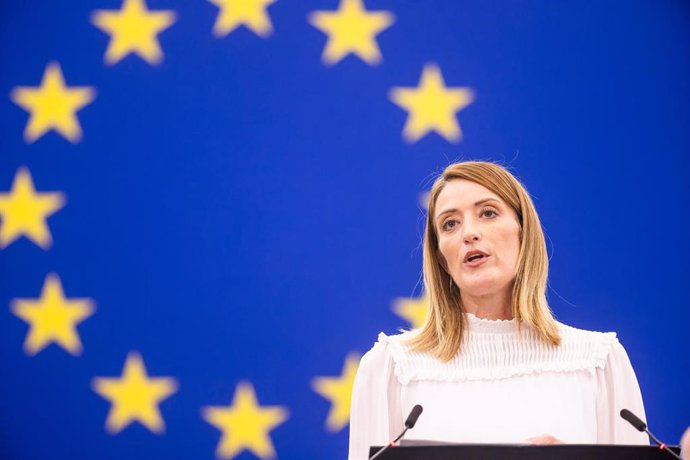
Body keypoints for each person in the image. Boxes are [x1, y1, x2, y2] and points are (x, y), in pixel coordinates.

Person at [348, 161, 648, 459]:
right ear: (441, 259)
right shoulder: (391, 369)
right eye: (450, 224)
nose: (469, 233)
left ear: (523, 231)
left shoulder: (598, 363)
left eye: (488, 213)